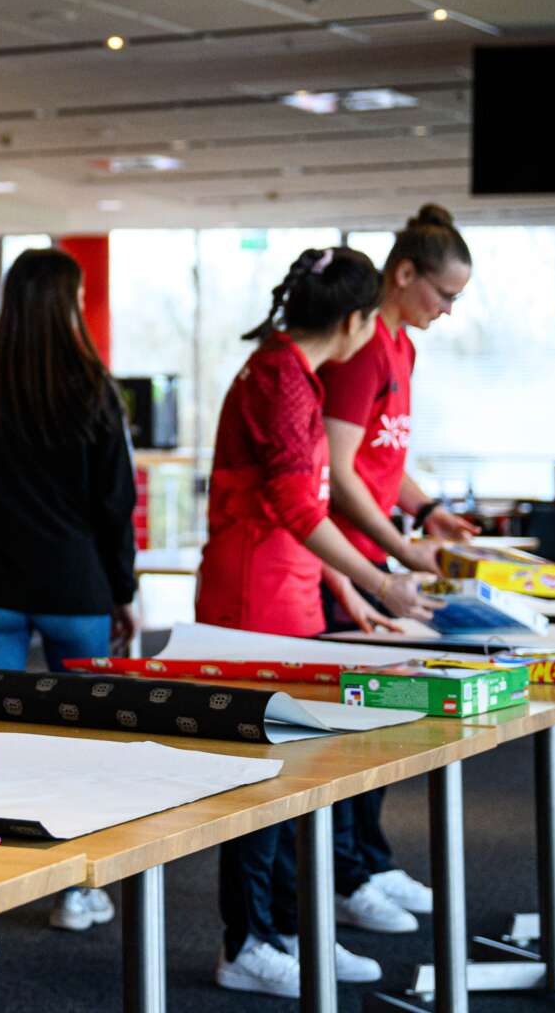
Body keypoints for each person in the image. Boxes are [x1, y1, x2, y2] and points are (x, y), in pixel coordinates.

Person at [197, 246, 441, 997]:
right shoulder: (279, 379)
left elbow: (302, 506)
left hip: (289, 592)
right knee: (261, 783)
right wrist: (379, 578)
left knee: (299, 775)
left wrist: (357, 592)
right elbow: (298, 507)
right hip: (253, 599)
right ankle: (250, 942)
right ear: (357, 320)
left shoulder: (291, 374)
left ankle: (294, 931)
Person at [0, 248, 136, 958]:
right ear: (69, 306)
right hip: (76, 590)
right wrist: (125, 591)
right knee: (76, 743)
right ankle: (76, 893)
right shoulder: (93, 387)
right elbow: (115, 504)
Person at [317, 204, 480, 933]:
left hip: (376, 549)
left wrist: (427, 510)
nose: (446, 312)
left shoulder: (402, 348)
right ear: (405, 274)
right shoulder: (360, 350)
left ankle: (371, 859)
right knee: (348, 725)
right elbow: (338, 472)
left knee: (379, 716)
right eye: (443, 296)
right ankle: (346, 875)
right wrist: (395, 549)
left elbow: (386, 460)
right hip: (341, 562)